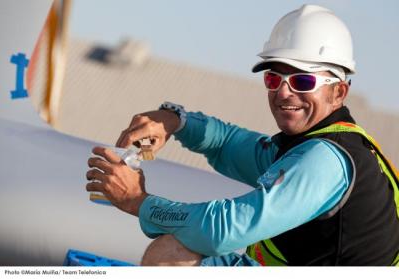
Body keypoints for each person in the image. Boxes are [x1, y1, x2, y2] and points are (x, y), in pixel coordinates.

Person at [85, 4, 399, 266]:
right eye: (274, 79)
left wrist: (138, 202)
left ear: (339, 92)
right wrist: (174, 120)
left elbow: (222, 230)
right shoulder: (314, 144)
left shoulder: (324, 160)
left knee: (174, 255)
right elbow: (227, 143)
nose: (284, 93)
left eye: (303, 81)